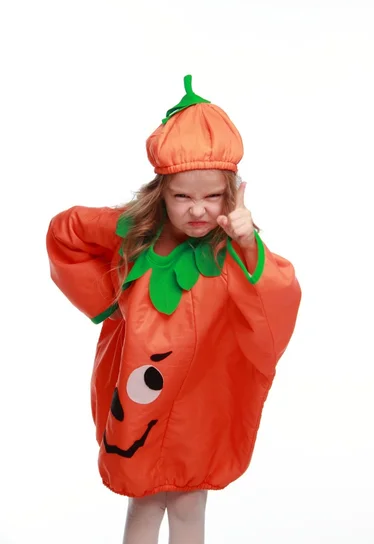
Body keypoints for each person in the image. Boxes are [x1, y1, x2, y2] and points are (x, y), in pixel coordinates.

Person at [46, 75, 302, 544]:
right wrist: (108, 302)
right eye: (183, 196)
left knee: (188, 501)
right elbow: (67, 232)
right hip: (140, 403)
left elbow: (276, 297)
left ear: (233, 193)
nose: (198, 211)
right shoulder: (133, 232)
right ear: (160, 192)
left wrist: (248, 242)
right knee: (142, 500)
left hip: (200, 405)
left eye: (212, 197)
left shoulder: (232, 254)